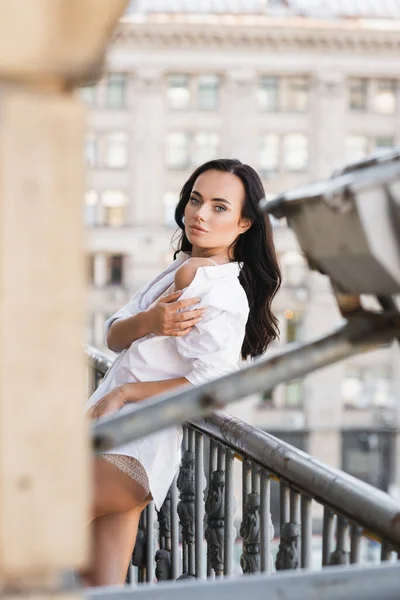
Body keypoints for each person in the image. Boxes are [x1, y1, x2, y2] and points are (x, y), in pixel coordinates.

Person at [83, 158, 281, 586]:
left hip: (133, 449)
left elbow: (214, 384)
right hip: (114, 440)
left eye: (219, 207)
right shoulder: (180, 268)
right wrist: (150, 323)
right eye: (196, 200)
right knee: (96, 588)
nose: (200, 214)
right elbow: (113, 334)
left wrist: (126, 394)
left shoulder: (219, 288)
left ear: (245, 223)